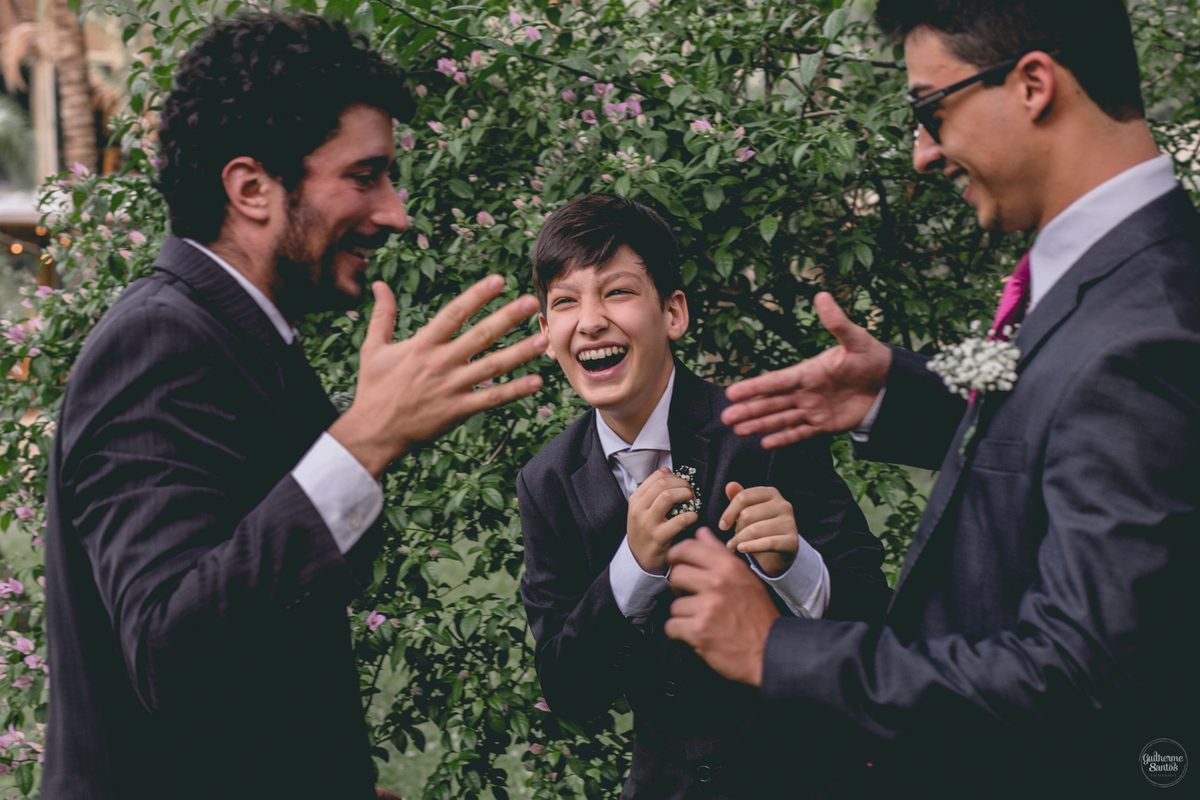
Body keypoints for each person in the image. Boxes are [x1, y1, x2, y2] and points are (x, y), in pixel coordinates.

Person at [664, 0, 1199, 796]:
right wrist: (900, 396)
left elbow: (1081, 678)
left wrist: (778, 651)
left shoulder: (1148, 332)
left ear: (1033, 84)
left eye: (930, 110)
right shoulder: (1119, 276)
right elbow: (1072, 432)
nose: (922, 154)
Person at [42, 13, 547, 800]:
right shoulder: (158, 343)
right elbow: (171, 653)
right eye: (365, 176)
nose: (395, 212)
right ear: (251, 188)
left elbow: (262, 641)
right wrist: (364, 441)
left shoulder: (244, 341)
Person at [517, 193, 890, 798]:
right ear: (546, 333)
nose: (590, 321)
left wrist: (796, 566)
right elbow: (570, 691)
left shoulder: (764, 429)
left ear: (673, 313)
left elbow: (880, 623)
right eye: (565, 301)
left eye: (617, 292)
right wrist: (633, 569)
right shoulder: (547, 482)